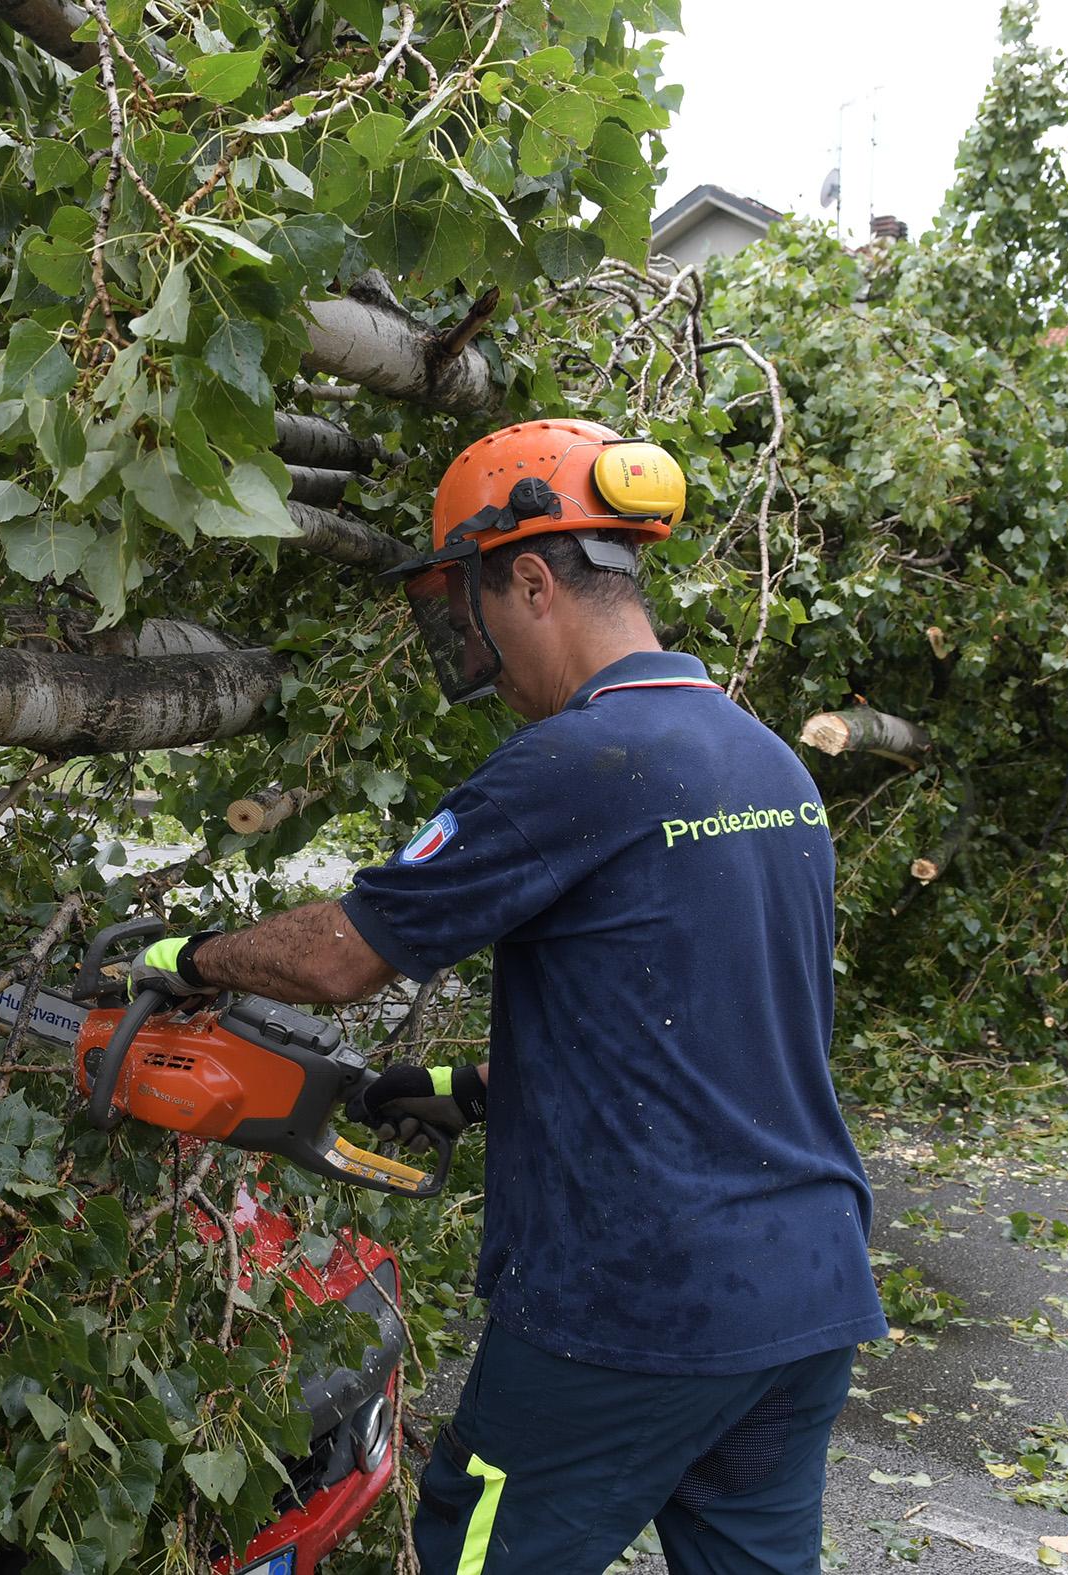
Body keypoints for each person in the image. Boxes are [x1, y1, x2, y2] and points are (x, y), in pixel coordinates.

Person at [131, 420, 886, 1574]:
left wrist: (185, 959)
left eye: (465, 607)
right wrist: (469, 1087)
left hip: (636, 1303)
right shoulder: (760, 759)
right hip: (803, 1285)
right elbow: (708, 1022)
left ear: (529, 579)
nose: (468, 645)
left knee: (477, 1551)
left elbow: (342, 957)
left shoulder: (579, 762)